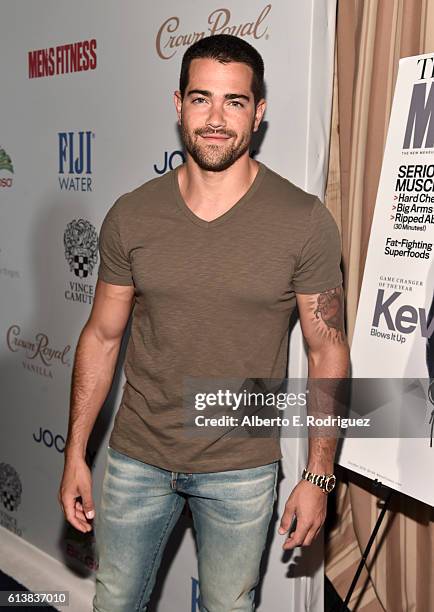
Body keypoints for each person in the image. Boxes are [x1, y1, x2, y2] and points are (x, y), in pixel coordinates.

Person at [58, 34, 350, 612]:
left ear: (258, 113)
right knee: (113, 603)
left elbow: (328, 352)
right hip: (136, 457)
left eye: (234, 102)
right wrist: (74, 453)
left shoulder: (304, 222)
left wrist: (319, 477)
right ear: (178, 105)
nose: (216, 119)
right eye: (201, 99)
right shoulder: (132, 214)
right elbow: (102, 335)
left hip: (240, 468)